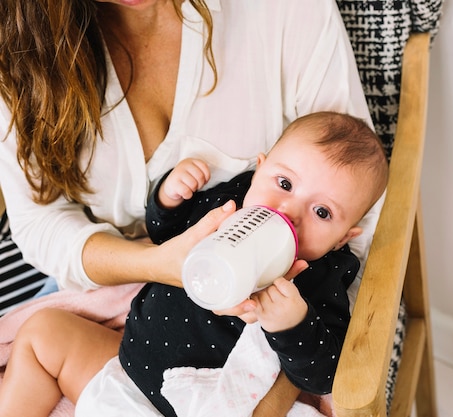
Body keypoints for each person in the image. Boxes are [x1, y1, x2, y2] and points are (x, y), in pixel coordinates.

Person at [0, 111, 389, 417]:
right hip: (125, 375)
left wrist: (293, 325)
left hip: (205, 405)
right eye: (284, 184)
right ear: (259, 169)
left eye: (322, 212)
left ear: (343, 238)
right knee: (43, 334)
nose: (290, 210)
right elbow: (164, 235)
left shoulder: (321, 278)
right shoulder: (228, 204)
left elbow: (323, 375)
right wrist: (168, 198)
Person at [0, 0, 376, 300]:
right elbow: (40, 221)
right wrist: (154, 264)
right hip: (106, 292)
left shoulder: (283, 11)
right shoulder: (18, 46)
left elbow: (362, 209)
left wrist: (293, 344)